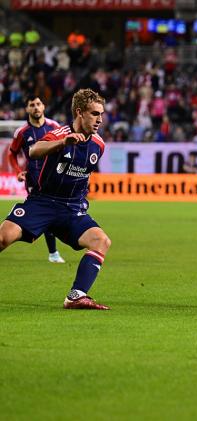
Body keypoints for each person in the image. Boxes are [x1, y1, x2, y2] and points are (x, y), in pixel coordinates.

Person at [0, 89, 111, 310]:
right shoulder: (60, 133)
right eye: (94, 114)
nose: (100, 119)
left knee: (101, 241)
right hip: (42, 202)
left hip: (71, 209)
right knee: (3, 237)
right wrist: (62, 143)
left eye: (101, 114)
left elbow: (82, 175)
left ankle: (76, 296)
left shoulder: (99, 145)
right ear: (79, 112)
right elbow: (34, 150)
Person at [8, 95, 66, 263]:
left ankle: (23, 225)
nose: (35, 107)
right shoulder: (22, 132)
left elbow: (63, 149)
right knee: (46, 211)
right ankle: (53, 253)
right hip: (33, 180)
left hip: (53, 178)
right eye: (32, 105)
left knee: (52, 211)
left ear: (44, 107)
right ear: (27, 109)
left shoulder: (54, 127)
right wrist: (18, 171)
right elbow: (12, 153)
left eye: (38, 104)